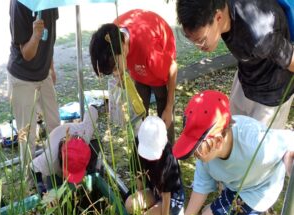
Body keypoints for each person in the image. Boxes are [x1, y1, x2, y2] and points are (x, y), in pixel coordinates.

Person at [172, 90, 294, 215]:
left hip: (258, 191)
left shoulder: (255, 143)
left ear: (219, 141)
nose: (194, 154)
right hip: (237, 185)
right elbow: (201, 187)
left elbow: (288, 140)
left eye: (197, 147)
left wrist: (288, 159)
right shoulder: (204, 156)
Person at [176, 0, 294, 129]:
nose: (199, 47)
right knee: (231, 131)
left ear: (218, 17)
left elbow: (291, 59)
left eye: (201, 41)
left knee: (258, 146)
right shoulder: (221, 9)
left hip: (272, 94)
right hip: (247, 74)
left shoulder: (260, 35)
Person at [89, 9, 178, 143]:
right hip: (140, 67)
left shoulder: (149, 52)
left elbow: (172, 68)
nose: (115, 74)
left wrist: (169, 106)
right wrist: (120, 74)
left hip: (159, 67)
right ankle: (141, 149)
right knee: (139, 113)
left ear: (124, 47)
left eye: (116, 69)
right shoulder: (111, 37)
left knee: (163, 111)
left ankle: (168, 152)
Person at [7, 0, 60, 180]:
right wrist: (35, 36)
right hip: (22, 78)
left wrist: (51, 68)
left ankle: (55, 169)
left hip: (43, 74)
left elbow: (51, 37)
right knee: (27, 136)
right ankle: (28, 185)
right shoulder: (19, 5)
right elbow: (27, 54)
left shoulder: (52, 2)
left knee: (55, 125)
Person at [125, 116, 185, 215]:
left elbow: (167, 196)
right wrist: (141, 204)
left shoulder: (169, 157)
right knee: (130, 204)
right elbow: (139, 175)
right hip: (154, 189)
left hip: (171, 198)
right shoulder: (139, 143)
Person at [30, 106, 98, 193]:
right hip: (53, 138)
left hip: (71, 130)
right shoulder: (51, 159)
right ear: (61, 163)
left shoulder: (85, 132)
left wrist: (94, 106)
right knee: (55, 185)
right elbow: (33, 166)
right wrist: (40, 186)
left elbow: (92, 110)